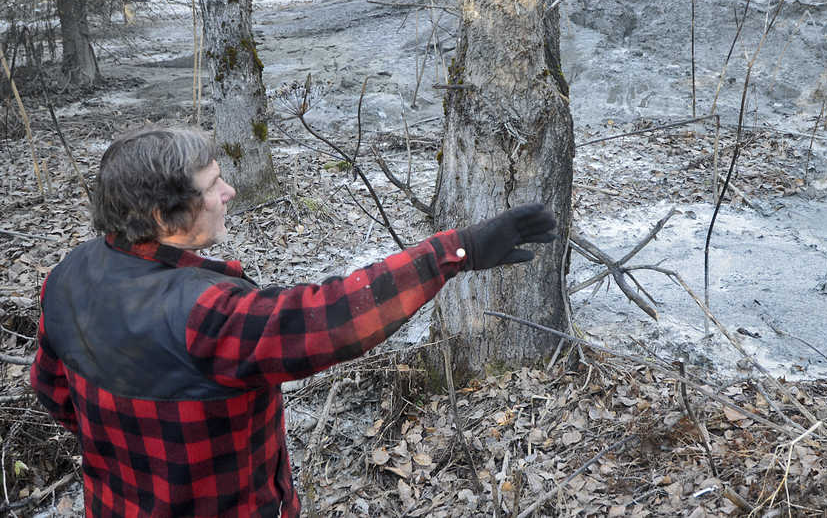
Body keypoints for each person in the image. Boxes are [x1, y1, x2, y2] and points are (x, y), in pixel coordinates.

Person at [30, 126, 556, 517]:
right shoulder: (204, 313)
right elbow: (328, 320)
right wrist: (456, 250)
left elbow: (54, 395)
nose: (229, 192)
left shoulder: (67, 276)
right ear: (167, 218)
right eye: (213, 185)